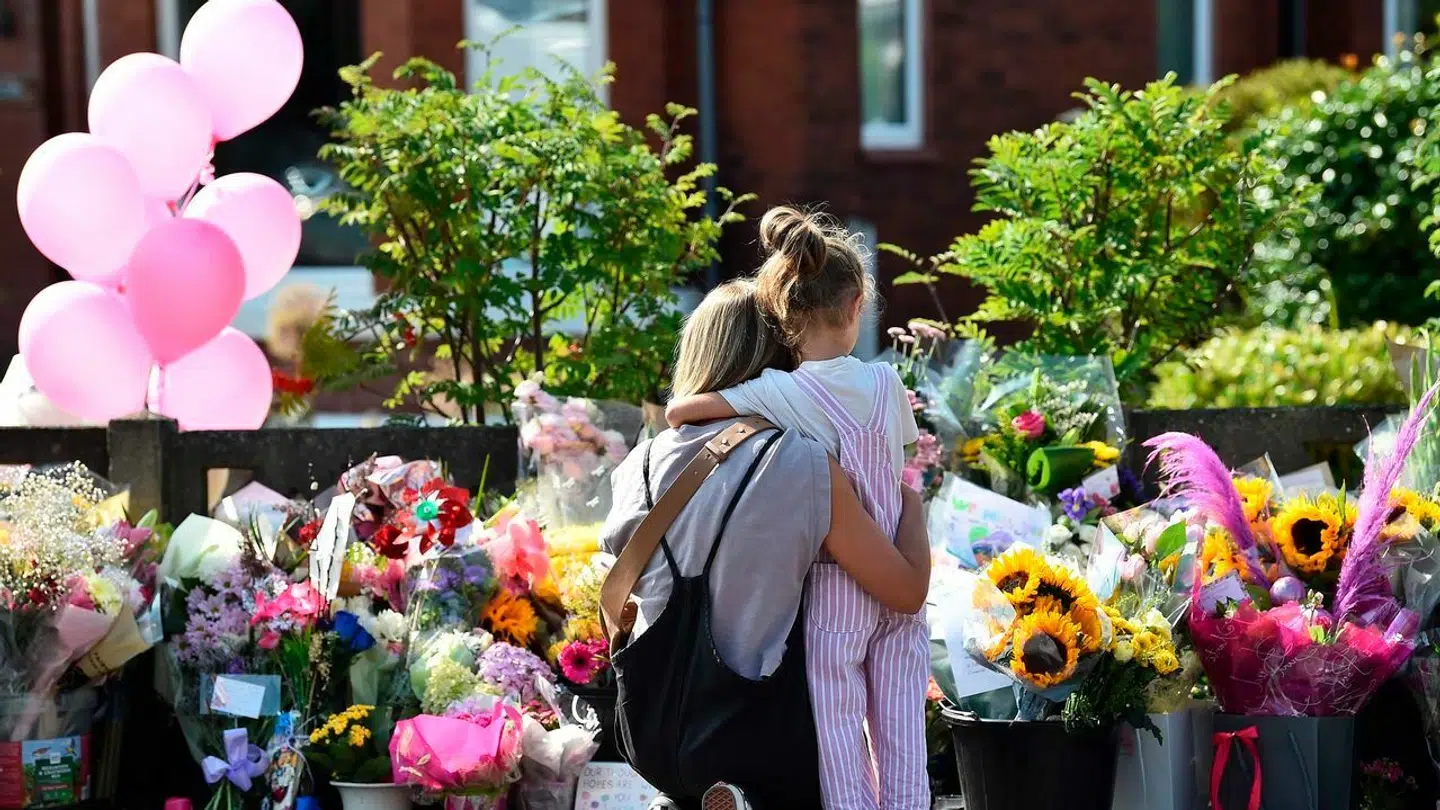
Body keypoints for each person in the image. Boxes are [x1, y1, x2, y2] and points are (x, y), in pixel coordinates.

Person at [602, 278, 931, 810]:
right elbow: (904, 589)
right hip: (766, 747)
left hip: (656, 734)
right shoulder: (802, 463)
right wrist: (909, 504)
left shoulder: (641, 462)